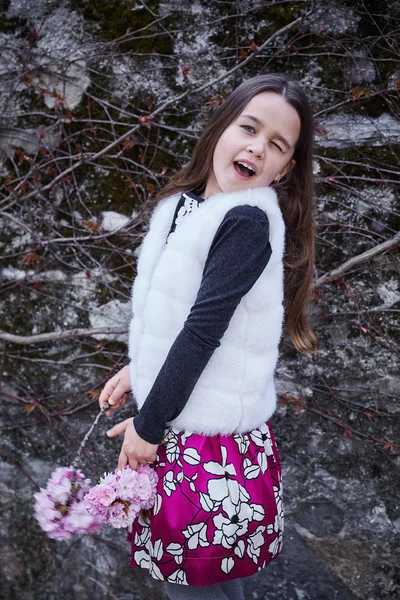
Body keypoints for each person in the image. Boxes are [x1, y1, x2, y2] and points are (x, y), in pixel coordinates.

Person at [98, 72, 318, 599]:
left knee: (193, 585)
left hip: (208, 446)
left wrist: (147, 429)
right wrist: (140, 368)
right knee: (207, 584)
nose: (256, 147)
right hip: (180, 417)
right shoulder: (187, 205)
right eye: (249, 127)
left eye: (277, 144)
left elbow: (201, 334)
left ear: (285, 169)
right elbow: (174, 317)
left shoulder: (245, 221)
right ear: (222, 126)